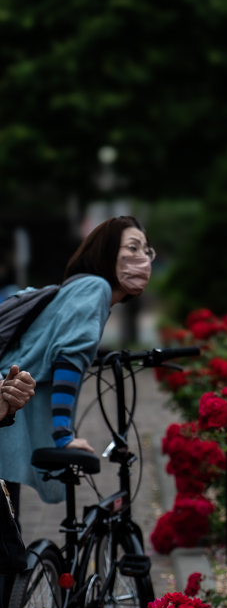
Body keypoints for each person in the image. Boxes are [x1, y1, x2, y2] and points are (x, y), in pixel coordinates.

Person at [0, 215, 154, 514]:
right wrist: (64, 436)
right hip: (8, 414)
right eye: (133, 248)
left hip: (9, 415)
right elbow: (67, 361)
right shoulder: (95, 289)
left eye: (146, 251)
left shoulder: (79, 288)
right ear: (106, 252)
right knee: (8, 547)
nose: (143, 258)